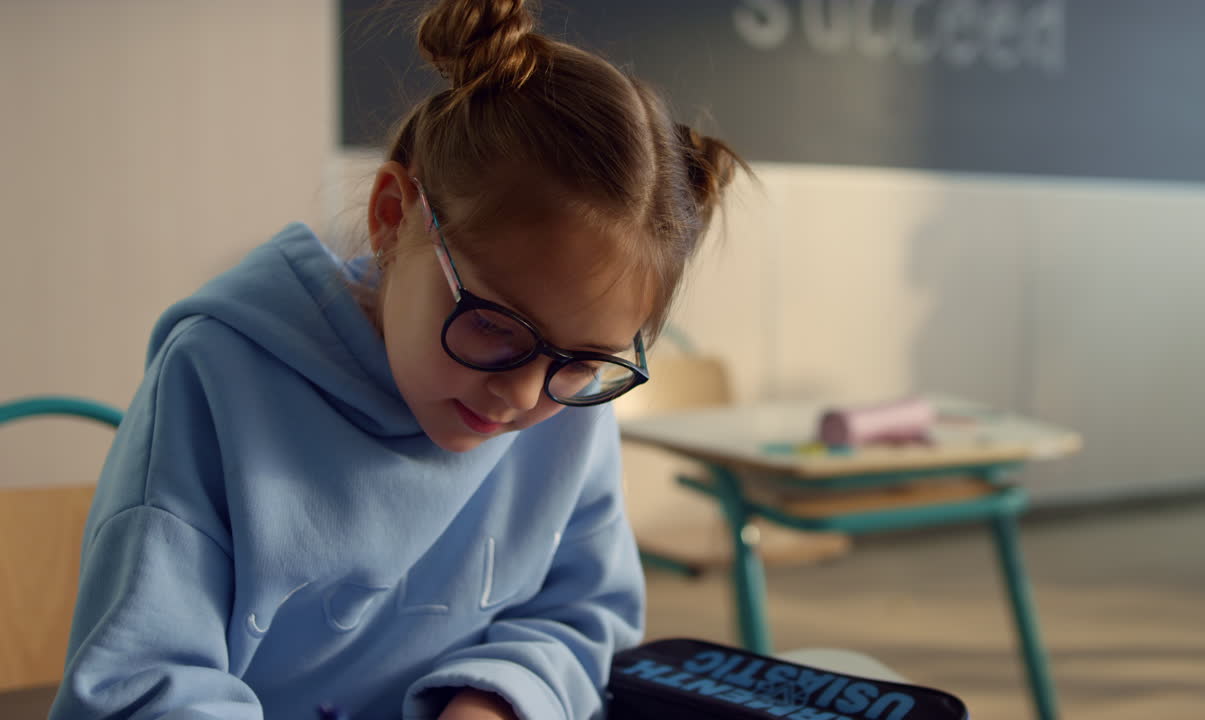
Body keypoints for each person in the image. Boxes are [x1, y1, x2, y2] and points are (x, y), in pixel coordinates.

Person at [49, 1, 745, 718]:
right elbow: (141, 683)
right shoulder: (216, 380)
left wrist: (496, 700)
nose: (520, 395)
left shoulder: (565, 404)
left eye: (585, 361)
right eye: (495, 326)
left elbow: (583, 616)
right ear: (392, 217)